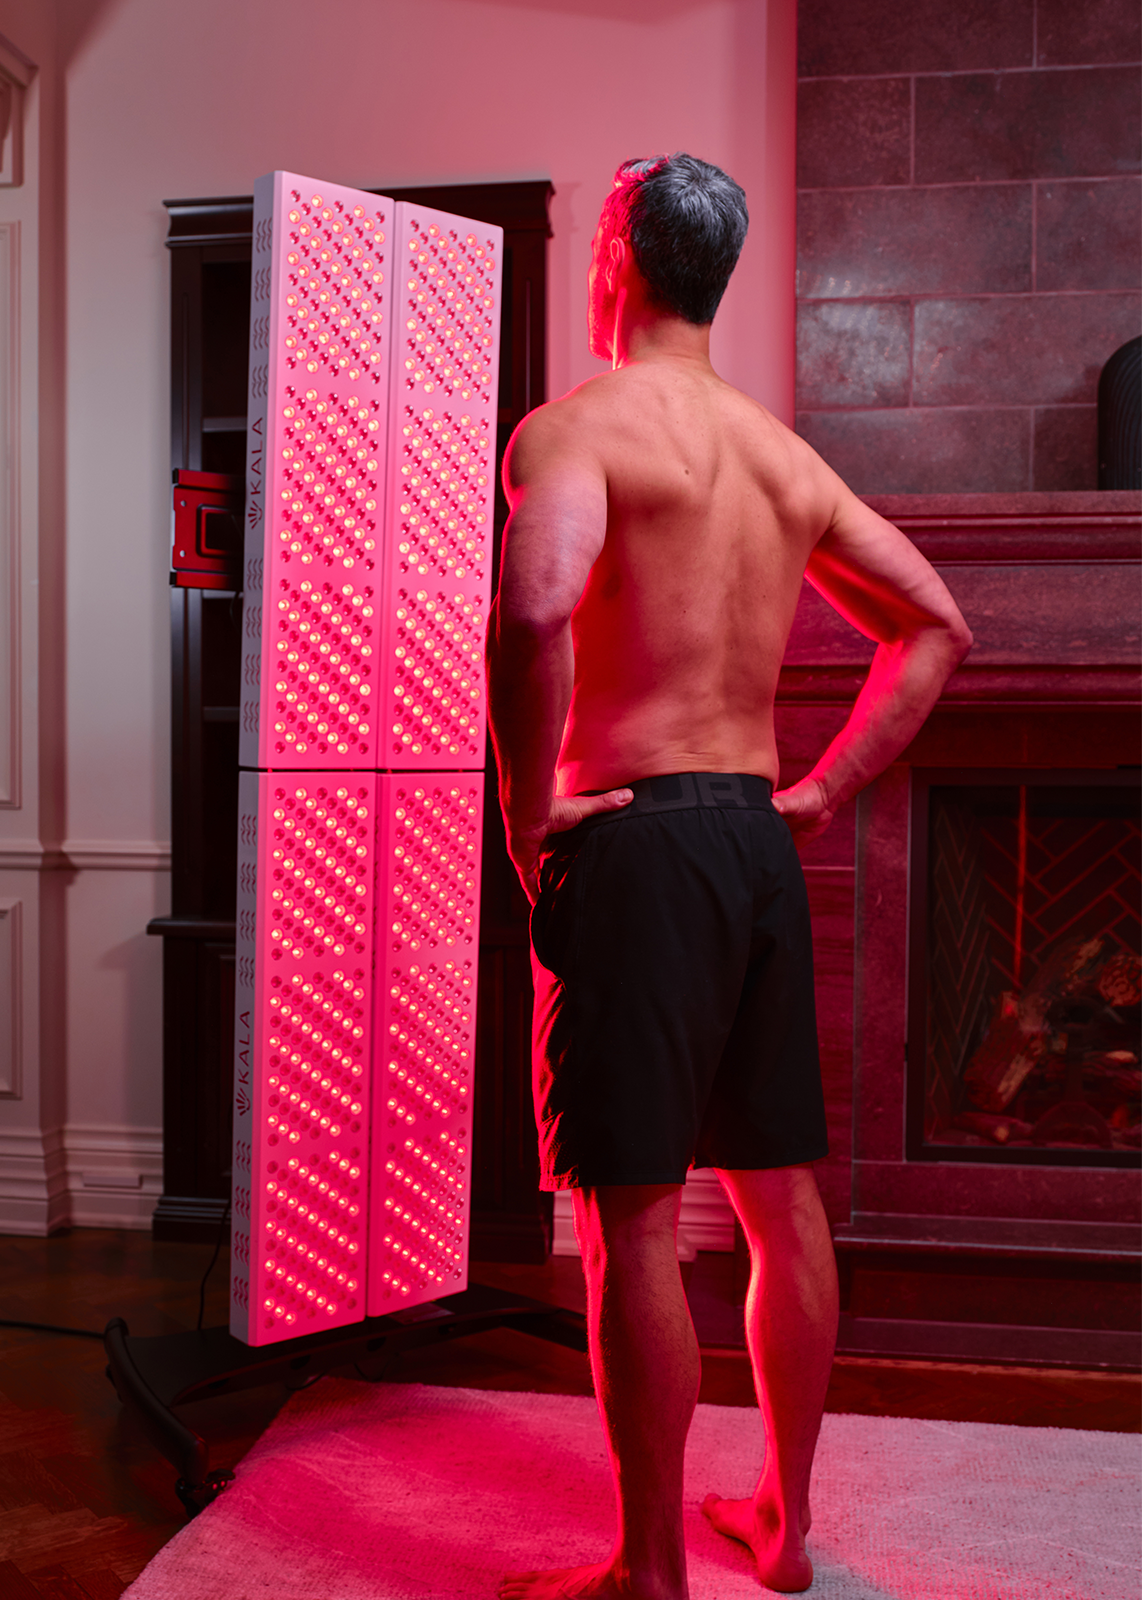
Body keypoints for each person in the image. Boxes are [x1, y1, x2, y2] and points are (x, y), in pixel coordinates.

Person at [485, 153, 972, 1599]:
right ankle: (786, 1527)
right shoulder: (780, 456)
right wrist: (821, 790)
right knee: (779, 1199)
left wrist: (528, 814)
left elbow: (534, 599)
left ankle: (646, 1571)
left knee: (633, 1211)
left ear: (617, 256)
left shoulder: (574, 431)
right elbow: (936, 623)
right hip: (754, 839)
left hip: (632, 840)